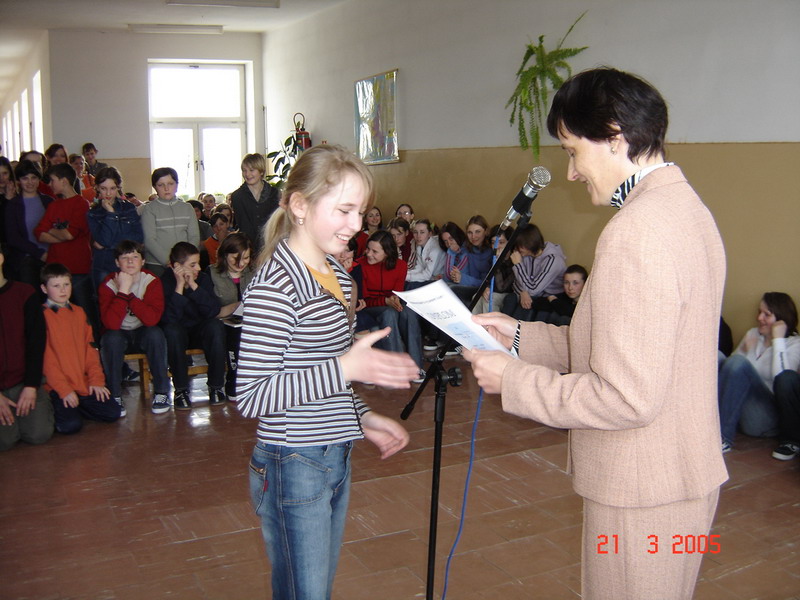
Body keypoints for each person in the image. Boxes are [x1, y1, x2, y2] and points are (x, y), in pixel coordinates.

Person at [464, 67, 727, 600]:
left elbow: (627, 396)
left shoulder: (637, 231)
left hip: (641, 491)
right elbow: (629, 349)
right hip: (673, 478)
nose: (570, 172)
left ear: (613, 136)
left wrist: (514, 381)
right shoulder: (684, 208)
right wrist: (519, 337)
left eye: (571, 150)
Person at [236, 144, 415, 599]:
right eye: (344, 210)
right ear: (299, 205)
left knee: (313, 589)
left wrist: (363, 417)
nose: (357, 225)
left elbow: (321, 370)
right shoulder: (276, 285)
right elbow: (253, 395)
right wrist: (346, 366)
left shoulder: (335, 272)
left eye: (361, 212)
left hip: (335, 452)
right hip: (293, 459)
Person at [718, 292, 800, 459]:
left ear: (782, 320)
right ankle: (704, 423)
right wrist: (745, 351)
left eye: (766, 314)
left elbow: (782, 379)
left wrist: (778, 340)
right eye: (759, 312)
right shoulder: (753, 334)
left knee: (738, 362)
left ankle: (721, 438)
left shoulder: (795, 344)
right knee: (718, 356)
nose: (759, 318)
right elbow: (731, 374)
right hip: (739, 412)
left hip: (764, 420)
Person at [40, 263, 121, 433]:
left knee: (113, 412)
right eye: (56, 286)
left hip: (82, 382)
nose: (63, 290)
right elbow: (47, 360)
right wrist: (64, 390)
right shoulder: (41, 316)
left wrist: (96, 381)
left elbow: (90, 350)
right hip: (57, 386)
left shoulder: (79, 312)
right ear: (44, 289)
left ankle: (77, 407)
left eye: (66, 284)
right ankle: (63, 407)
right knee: (70, 426)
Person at [98, 241, 171, 416]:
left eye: (135, 257)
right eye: (125, 258)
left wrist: (128, 294)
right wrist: (122, 290)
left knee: (155, 334)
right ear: (117, 262)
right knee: (110, 339)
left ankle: (161, 392)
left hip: (142, 331)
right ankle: (115, 395)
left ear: (143, 261)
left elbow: (151, 320)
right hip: (119, 333)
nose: (130, 261)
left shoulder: (151, 281)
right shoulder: (108, 284)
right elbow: (111, 324)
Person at [0, 246, 54, 451]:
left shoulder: (24, 293)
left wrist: (31, 386)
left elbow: (36, 342)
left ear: (1, 259)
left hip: (23, 381)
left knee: (38, 435)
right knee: (4, 442)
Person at [160, 241, 226, 410]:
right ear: (177, 266)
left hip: (199, 330)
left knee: (215, 327)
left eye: (198, 263)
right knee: (172, 332)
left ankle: (216, 386)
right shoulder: (165, 281)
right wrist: (180, 287)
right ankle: (181, 390)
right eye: (192, 265)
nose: (198, 268)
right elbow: (169, 318)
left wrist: (194, 287)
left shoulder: (202, 279)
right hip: (178, 332)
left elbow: (213, 310)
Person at [35, 163, 98, 334]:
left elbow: (70, 234)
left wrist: (51, 230)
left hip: (78, 269)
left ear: (63, 181)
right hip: (55, 269)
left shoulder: (81, 204)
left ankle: (94, 348)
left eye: (52, 180)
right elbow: (39, 233)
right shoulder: (54, 205)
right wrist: (59, 234)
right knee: (58, 318)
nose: (49, 184)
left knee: (86, 315)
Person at [209, 232, 254, 400]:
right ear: (225, 255)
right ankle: (233, 380)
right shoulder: (212, 274)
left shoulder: (253, 273)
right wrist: (236, 306)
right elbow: (210, 310)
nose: (241, 263)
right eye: (235, 258)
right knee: (233, 335)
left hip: (250, 321)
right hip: (223, 324)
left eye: (246, 258)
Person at [87, 166, 143, 288]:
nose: (108, 193)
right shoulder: (93, 213)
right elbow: (105, 240)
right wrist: (110, 213)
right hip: (104, 265)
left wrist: (108, 245)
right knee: (104, 299)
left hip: (128, 265)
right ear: (97, 188)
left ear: (118, 187)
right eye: (103, 188)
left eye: (112, 188)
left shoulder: (129, 208)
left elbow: (138, 237)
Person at [501, 223, 567, 321]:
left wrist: (518, 265)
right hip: (534, 294)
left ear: (529, 243)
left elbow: (533, 289)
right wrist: (523, 292)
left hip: (552, 297)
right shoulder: (526, 255)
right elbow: (516, 283)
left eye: (519, 245)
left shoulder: (553, 260)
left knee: (526, 305)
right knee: (512, 299)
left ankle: (513, 329)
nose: (517, 249)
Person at [140, 167, 199, 276]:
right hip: (157, 264)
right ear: (155, 187)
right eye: (160, 185)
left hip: (185, 263)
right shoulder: (149, 209)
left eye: (170, 184)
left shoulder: (187, 208)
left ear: (177, 185)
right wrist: (168, 261)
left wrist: (187, 260)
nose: (166, 188)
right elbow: (149, 240)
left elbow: (194, 236)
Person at [5, 160, 52, 287]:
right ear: (18, 181)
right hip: (26, 260)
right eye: (25, 178)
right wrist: (39, 253)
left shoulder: (48, 201)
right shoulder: (13, 205)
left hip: (51, 257)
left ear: (39, 179)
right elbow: (13, 238)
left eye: (33, 178)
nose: (30, 182)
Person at [229, 153, 280, 252]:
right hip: (248, 250)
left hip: (272, 247)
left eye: (251, 170)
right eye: (244, 170)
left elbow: (276, 223)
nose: (247, 174)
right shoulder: (237, 196)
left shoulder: (274, 194)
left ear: (261, 171)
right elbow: (244, 227)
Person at [471, 225, 514, 315]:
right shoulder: (492, 258)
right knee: (476, 297)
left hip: (509, 295)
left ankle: (491, 324)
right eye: (493, 243)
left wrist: (497, 262)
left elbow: (501, 287)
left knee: (490, 299)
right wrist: (485, 289)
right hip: (496, 293)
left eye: (501, 242)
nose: (496, 246)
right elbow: (488, 280)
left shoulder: (514, 260)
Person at [405, 218, 445, 290]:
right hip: (429, 278)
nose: (418, 236)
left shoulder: (436, 247)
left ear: (429, 234)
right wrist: (403, 274)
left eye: (422, 232)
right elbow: (419, 268)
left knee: (410, 286)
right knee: (405, 283)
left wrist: (406, 277)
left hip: (439, 280)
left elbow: (427, 275)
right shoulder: (419, 246)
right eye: (415, 232)